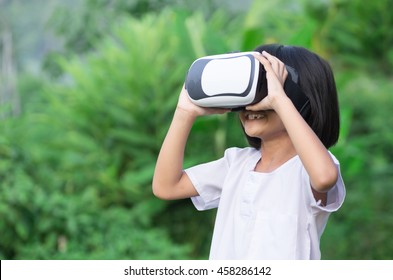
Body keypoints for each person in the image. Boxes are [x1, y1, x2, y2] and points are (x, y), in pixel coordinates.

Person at [152, 44, 345, 260]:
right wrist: (184, 112)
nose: (251, 105)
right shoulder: (236, 163)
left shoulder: (306, 169)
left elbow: (324, 178)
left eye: (263, 90)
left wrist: (278, 99)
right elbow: (166, 187)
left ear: (298, 99)